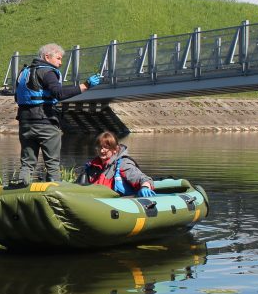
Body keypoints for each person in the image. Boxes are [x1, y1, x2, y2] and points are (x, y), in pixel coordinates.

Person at [15, 43, 101, 183]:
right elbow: (59, 93)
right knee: (52, 165)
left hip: (25, 124)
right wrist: (85, 85)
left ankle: (19, 192)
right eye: (58, 58)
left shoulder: (25, 72)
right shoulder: (48, 73)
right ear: (47, 57)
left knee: (27, 164)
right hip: (45, 123)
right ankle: (54, 196)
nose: (60, 63)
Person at [76, 131, 156, 197]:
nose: (102, 151)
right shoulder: (91, 167)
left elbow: (144, 179)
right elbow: (77, 186)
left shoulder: (123, 164)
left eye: (106, 147)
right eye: (99, 147)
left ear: (115, 149)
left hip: (119, 205)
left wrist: (145, 187)